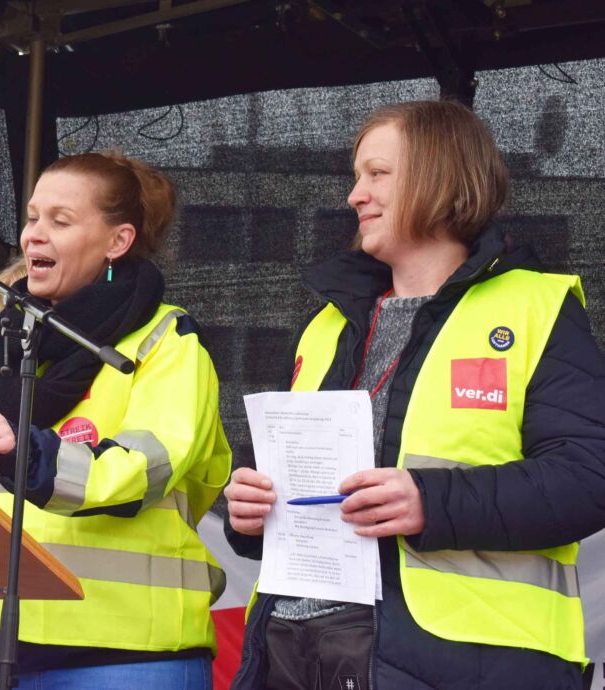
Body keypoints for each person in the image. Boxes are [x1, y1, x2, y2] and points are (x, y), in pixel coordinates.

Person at [224, 99, 605, 690]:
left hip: (459, 656)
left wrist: (430, 501)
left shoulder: (537, 307)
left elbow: (588, 477)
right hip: (290, 645)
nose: (355, 195)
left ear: (443, 179)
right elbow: (284, 478)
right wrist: (247, 510)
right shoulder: (325, 323)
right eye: (357, 177)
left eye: (377, 174)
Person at [0, 150, 231, 689]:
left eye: (60, 221)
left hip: (129, 652)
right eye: (33, 217)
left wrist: (28, 454)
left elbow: (146, 468)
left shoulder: (167, 343)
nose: (35, 234)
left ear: (117, 242)